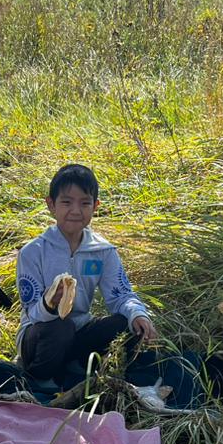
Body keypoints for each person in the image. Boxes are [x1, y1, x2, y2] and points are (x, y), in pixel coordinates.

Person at [15, 164, 155, 386]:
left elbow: (121, 295)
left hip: (80, 331)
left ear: (95, 206)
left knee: (126, 322)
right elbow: (32, 312)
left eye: (84, 203)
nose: (75, 211)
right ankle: (40, 379)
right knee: (61, 327)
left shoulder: (103, 251)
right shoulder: (33, 252)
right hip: (41, 336)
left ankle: (78, 366)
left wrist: (138, 314)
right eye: (66, 202)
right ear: (51, 205)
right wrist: (49, 304)